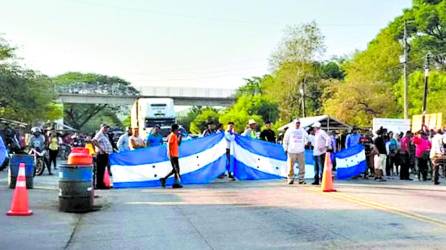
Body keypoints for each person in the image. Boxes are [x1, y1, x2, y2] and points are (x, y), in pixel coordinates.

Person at [282, 118, 309, 185]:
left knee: (302, 166)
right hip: (291, 151)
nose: (298, 124)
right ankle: (290, 179)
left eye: (299, 123)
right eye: (297, 123)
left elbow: (307, 137)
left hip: (300, 151)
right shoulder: (290, 130)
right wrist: (285, 148)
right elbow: (285, 140)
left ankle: (301, 179)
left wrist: (305, 143)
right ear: (294, 123)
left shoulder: (302, 130)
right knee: (290, 166)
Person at [160, 124, 183, 188]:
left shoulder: (175, 136)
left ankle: (164, 179)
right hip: (172, 154)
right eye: (177, 129)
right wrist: (170, 154)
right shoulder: (172, 135)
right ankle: (175, 183)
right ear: (175, 129)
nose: (178, 130)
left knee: (175, 169)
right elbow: (169, 145)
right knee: (176, 169)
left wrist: (180, 136)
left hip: (175, 154)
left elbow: (178, 144)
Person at [92, 124, 113, 189]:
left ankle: (101, 183)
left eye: (107, 128)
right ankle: (99, 184)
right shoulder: (99, 134)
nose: (106, 129)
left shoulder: (105, 135)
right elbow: (94, 140)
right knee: (100, 170)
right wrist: (100, 148)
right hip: (101, 154)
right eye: (105, 128)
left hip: (105, 154)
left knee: (103, 170)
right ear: (101, 128)